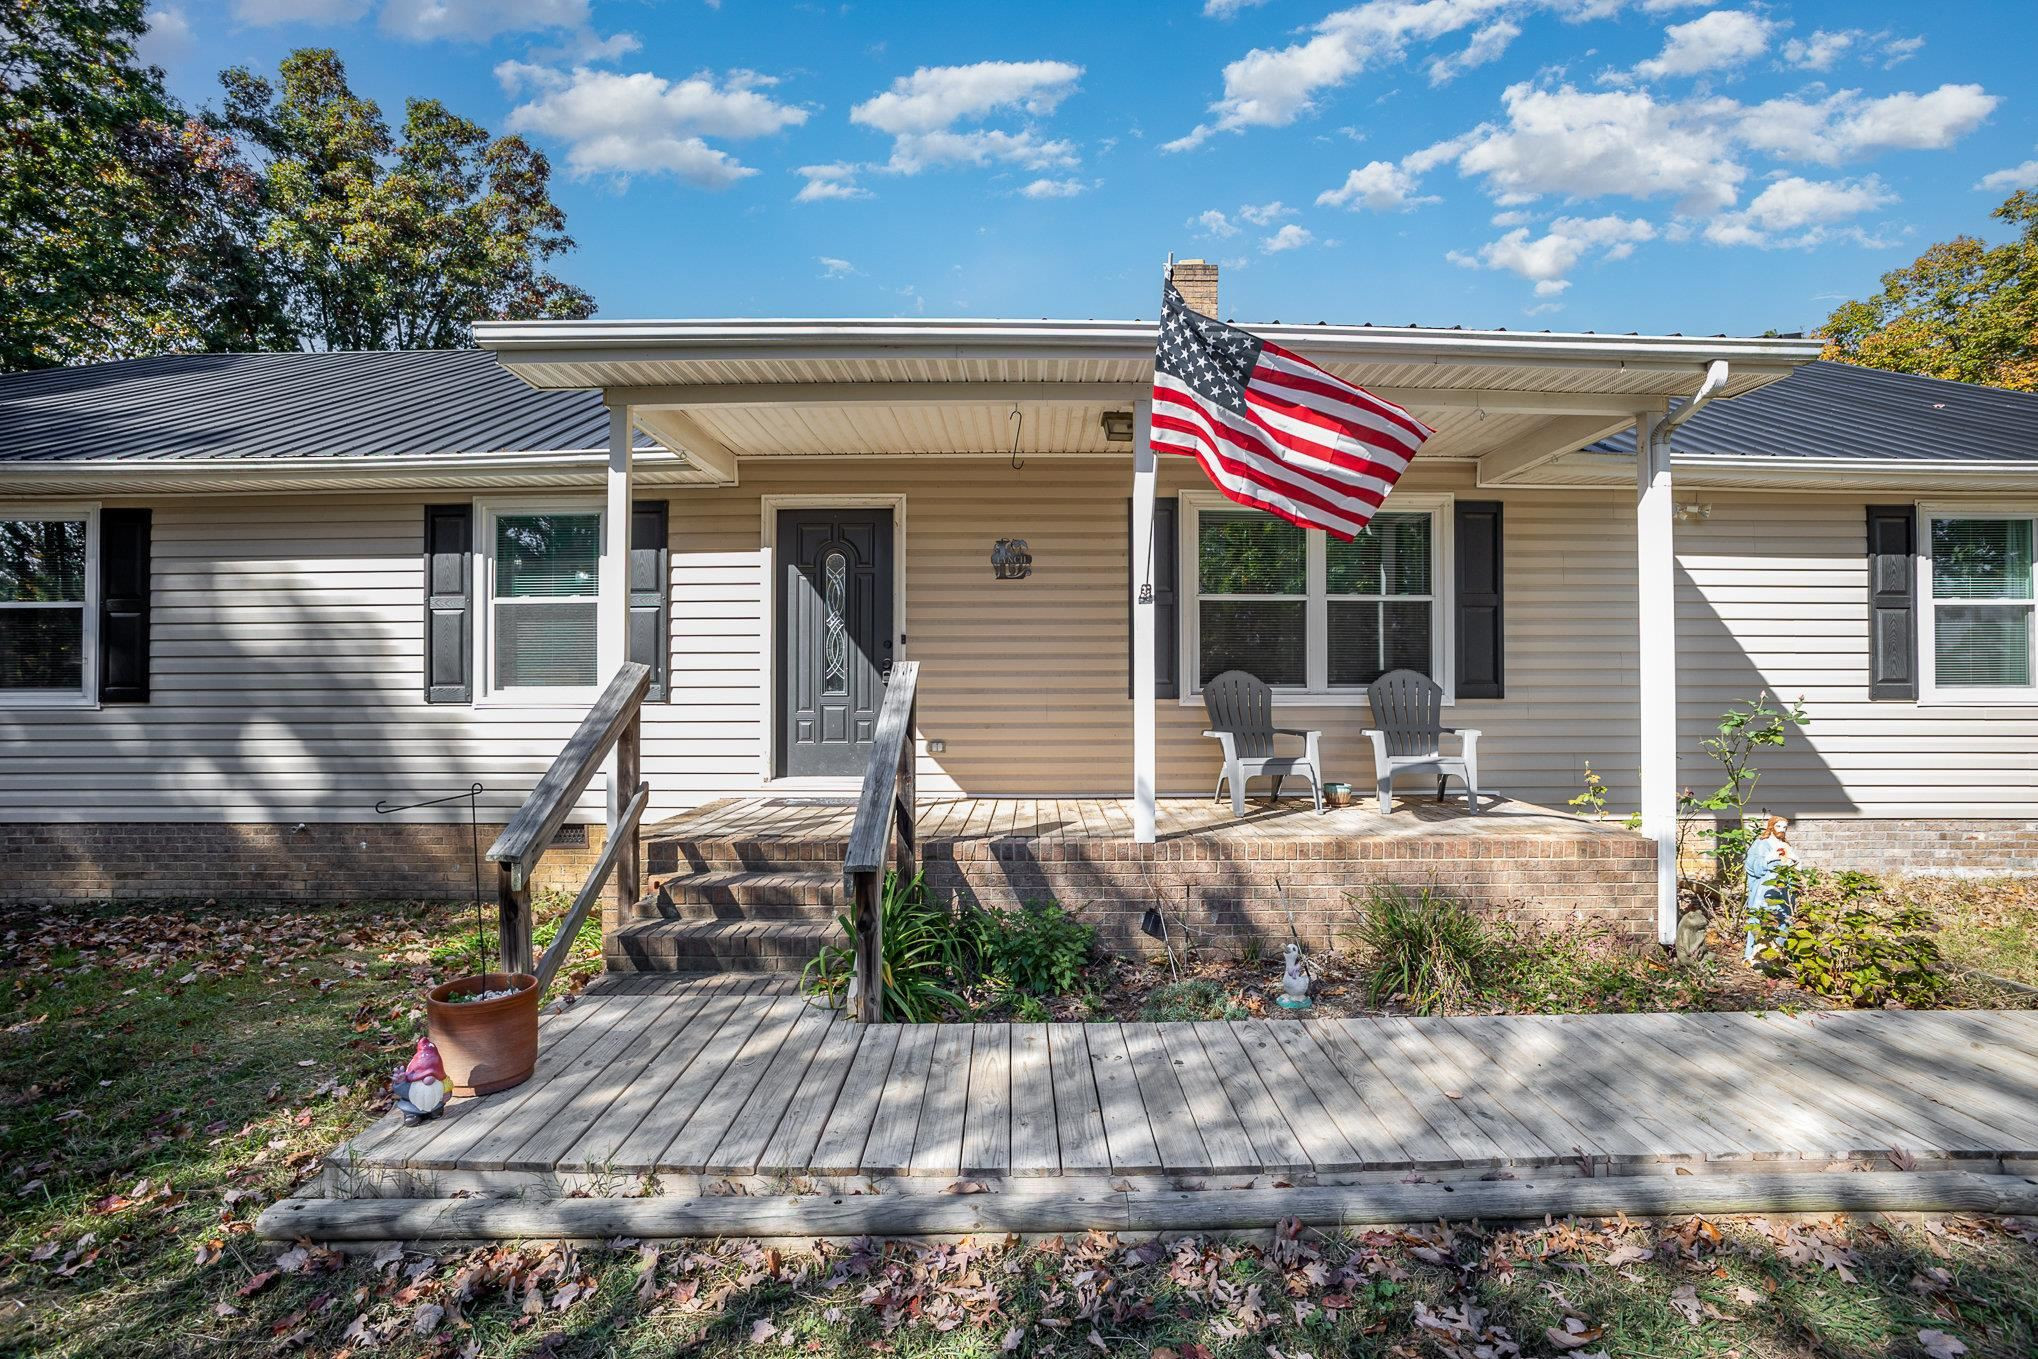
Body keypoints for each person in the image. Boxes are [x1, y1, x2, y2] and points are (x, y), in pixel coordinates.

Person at [1743, 815, 1797, 963]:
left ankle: (1778, 955)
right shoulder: (1762, 843)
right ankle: (1755, 954)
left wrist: (1795, 864)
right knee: (1762, 917)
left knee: (1782, 917)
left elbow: (1795, 864)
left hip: (1783, 888)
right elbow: (1751, 864)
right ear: (1771, 826)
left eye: (1785, 827)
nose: (1782, 830)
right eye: (1779, 826)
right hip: (1766, 888)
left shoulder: (1786, 845)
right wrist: (1769, 858)